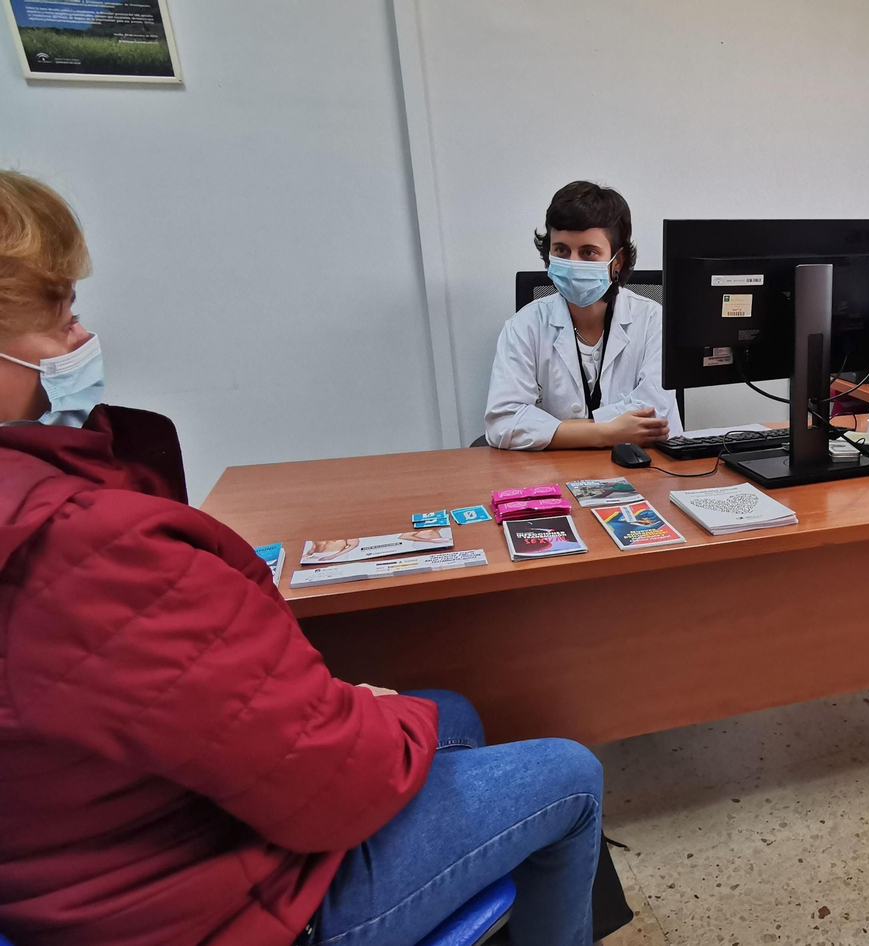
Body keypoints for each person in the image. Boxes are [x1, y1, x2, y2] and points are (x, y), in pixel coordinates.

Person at [0, 170, 602, 946]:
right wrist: (374, 712)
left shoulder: (52, 522)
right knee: (571, 774)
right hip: (216, 905)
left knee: (457, 710)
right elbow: (329, 788)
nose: (80, 339)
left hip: (87, 865)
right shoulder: (84, 545)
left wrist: (365, 711)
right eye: (59, 318)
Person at [485, 181, 682, 450]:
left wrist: (554, 429)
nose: (573, 263)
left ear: (618, 261)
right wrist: (608, 432)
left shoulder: (654, 321)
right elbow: (503, 422)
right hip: (556, 471)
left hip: (646, 470)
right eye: (562, 250)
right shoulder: (523, 326)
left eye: (588, 252)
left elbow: (656, 418)